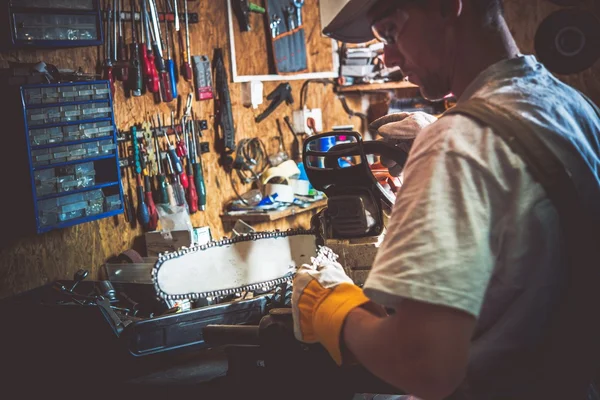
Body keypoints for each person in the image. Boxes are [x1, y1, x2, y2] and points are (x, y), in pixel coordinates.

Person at [291, 1, 600, 399]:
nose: (387, 56)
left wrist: (330, 306)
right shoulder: (574, 108)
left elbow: (422, 364)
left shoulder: (456, 141)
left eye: (389, 31)